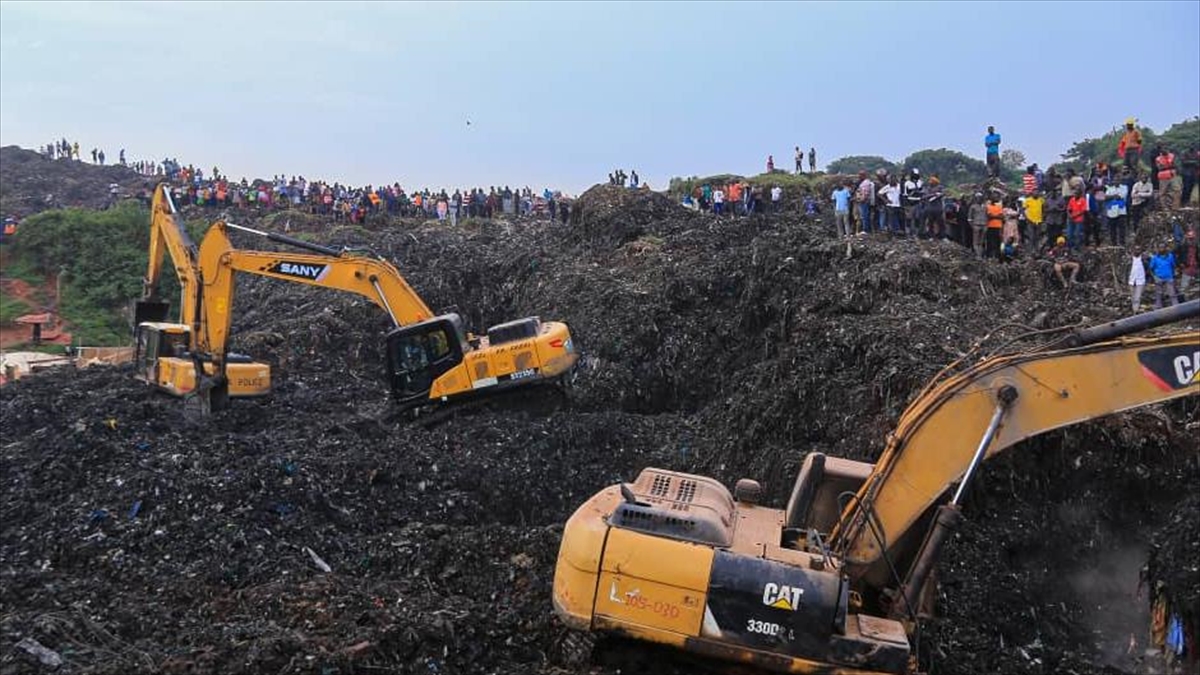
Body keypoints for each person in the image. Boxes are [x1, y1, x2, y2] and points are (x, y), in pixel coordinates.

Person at [1149, 242, 1179, 308]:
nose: (1162, 249)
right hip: (1159, 277)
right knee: (1159, 295)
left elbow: (1173, 266)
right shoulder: (1155, 257)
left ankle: (1177, 308)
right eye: (1160, 247)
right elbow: (1150, 269)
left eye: (1163, 247)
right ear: (1158, 248)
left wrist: (1174, 276)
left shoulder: (1170, 256)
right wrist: (1154, 277)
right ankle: (1159, 309)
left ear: (1166, 248)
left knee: (1172, 293)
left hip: (1169, 277)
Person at [1155, 146, 1180, 210]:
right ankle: (1164, 207)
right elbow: (1159, 168)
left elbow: (1175, 165)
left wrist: (1166, 166)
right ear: (1160, 151)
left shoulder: (1172, 156)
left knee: (1177, 190)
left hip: (1172, 175)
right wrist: (1170, 166)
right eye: (1162, 149)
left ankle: (1175, 207)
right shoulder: (1158, 158)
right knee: (1163, 192)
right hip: (1163, 176)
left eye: (1165, 149)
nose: (1164, 150)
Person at [1105, 180, 1129, 247]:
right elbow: (1106, 197)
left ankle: (1122, 243)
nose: (1116, 181)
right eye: (1115, 179)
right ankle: (1114, 243)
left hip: (1121, 211)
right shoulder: (1110, 188)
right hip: (1111, 211)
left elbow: (1121, 196)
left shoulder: (1124, 187)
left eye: (1118, 179)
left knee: (1122, 228)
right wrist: (1114, 196)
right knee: (1112, 229)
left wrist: (1111, 196)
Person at [1177, 229, 1198, 300]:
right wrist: (1180, 263)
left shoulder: (1196, 246)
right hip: (1187, 268)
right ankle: (1184, 302)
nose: (1191, 240)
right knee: (1184, 286)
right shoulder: (1182, 246)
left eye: (1192, 239)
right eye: (1190, 239)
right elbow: (1174, 254)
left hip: (1195, 268)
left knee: (1195, 286)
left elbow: (1197, 256)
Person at [1129, 248, 1147, 313]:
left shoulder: (1143, 259)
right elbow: (1126, 270)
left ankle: (1135, 310)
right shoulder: (1130, 260)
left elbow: (1148, 268)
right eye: (1135, 249)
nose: (1137, 251)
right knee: (1133, 296)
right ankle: (1133, 309)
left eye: (1138, 249)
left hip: (1140, 280)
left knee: (1137, 297)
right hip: (1131, 280)